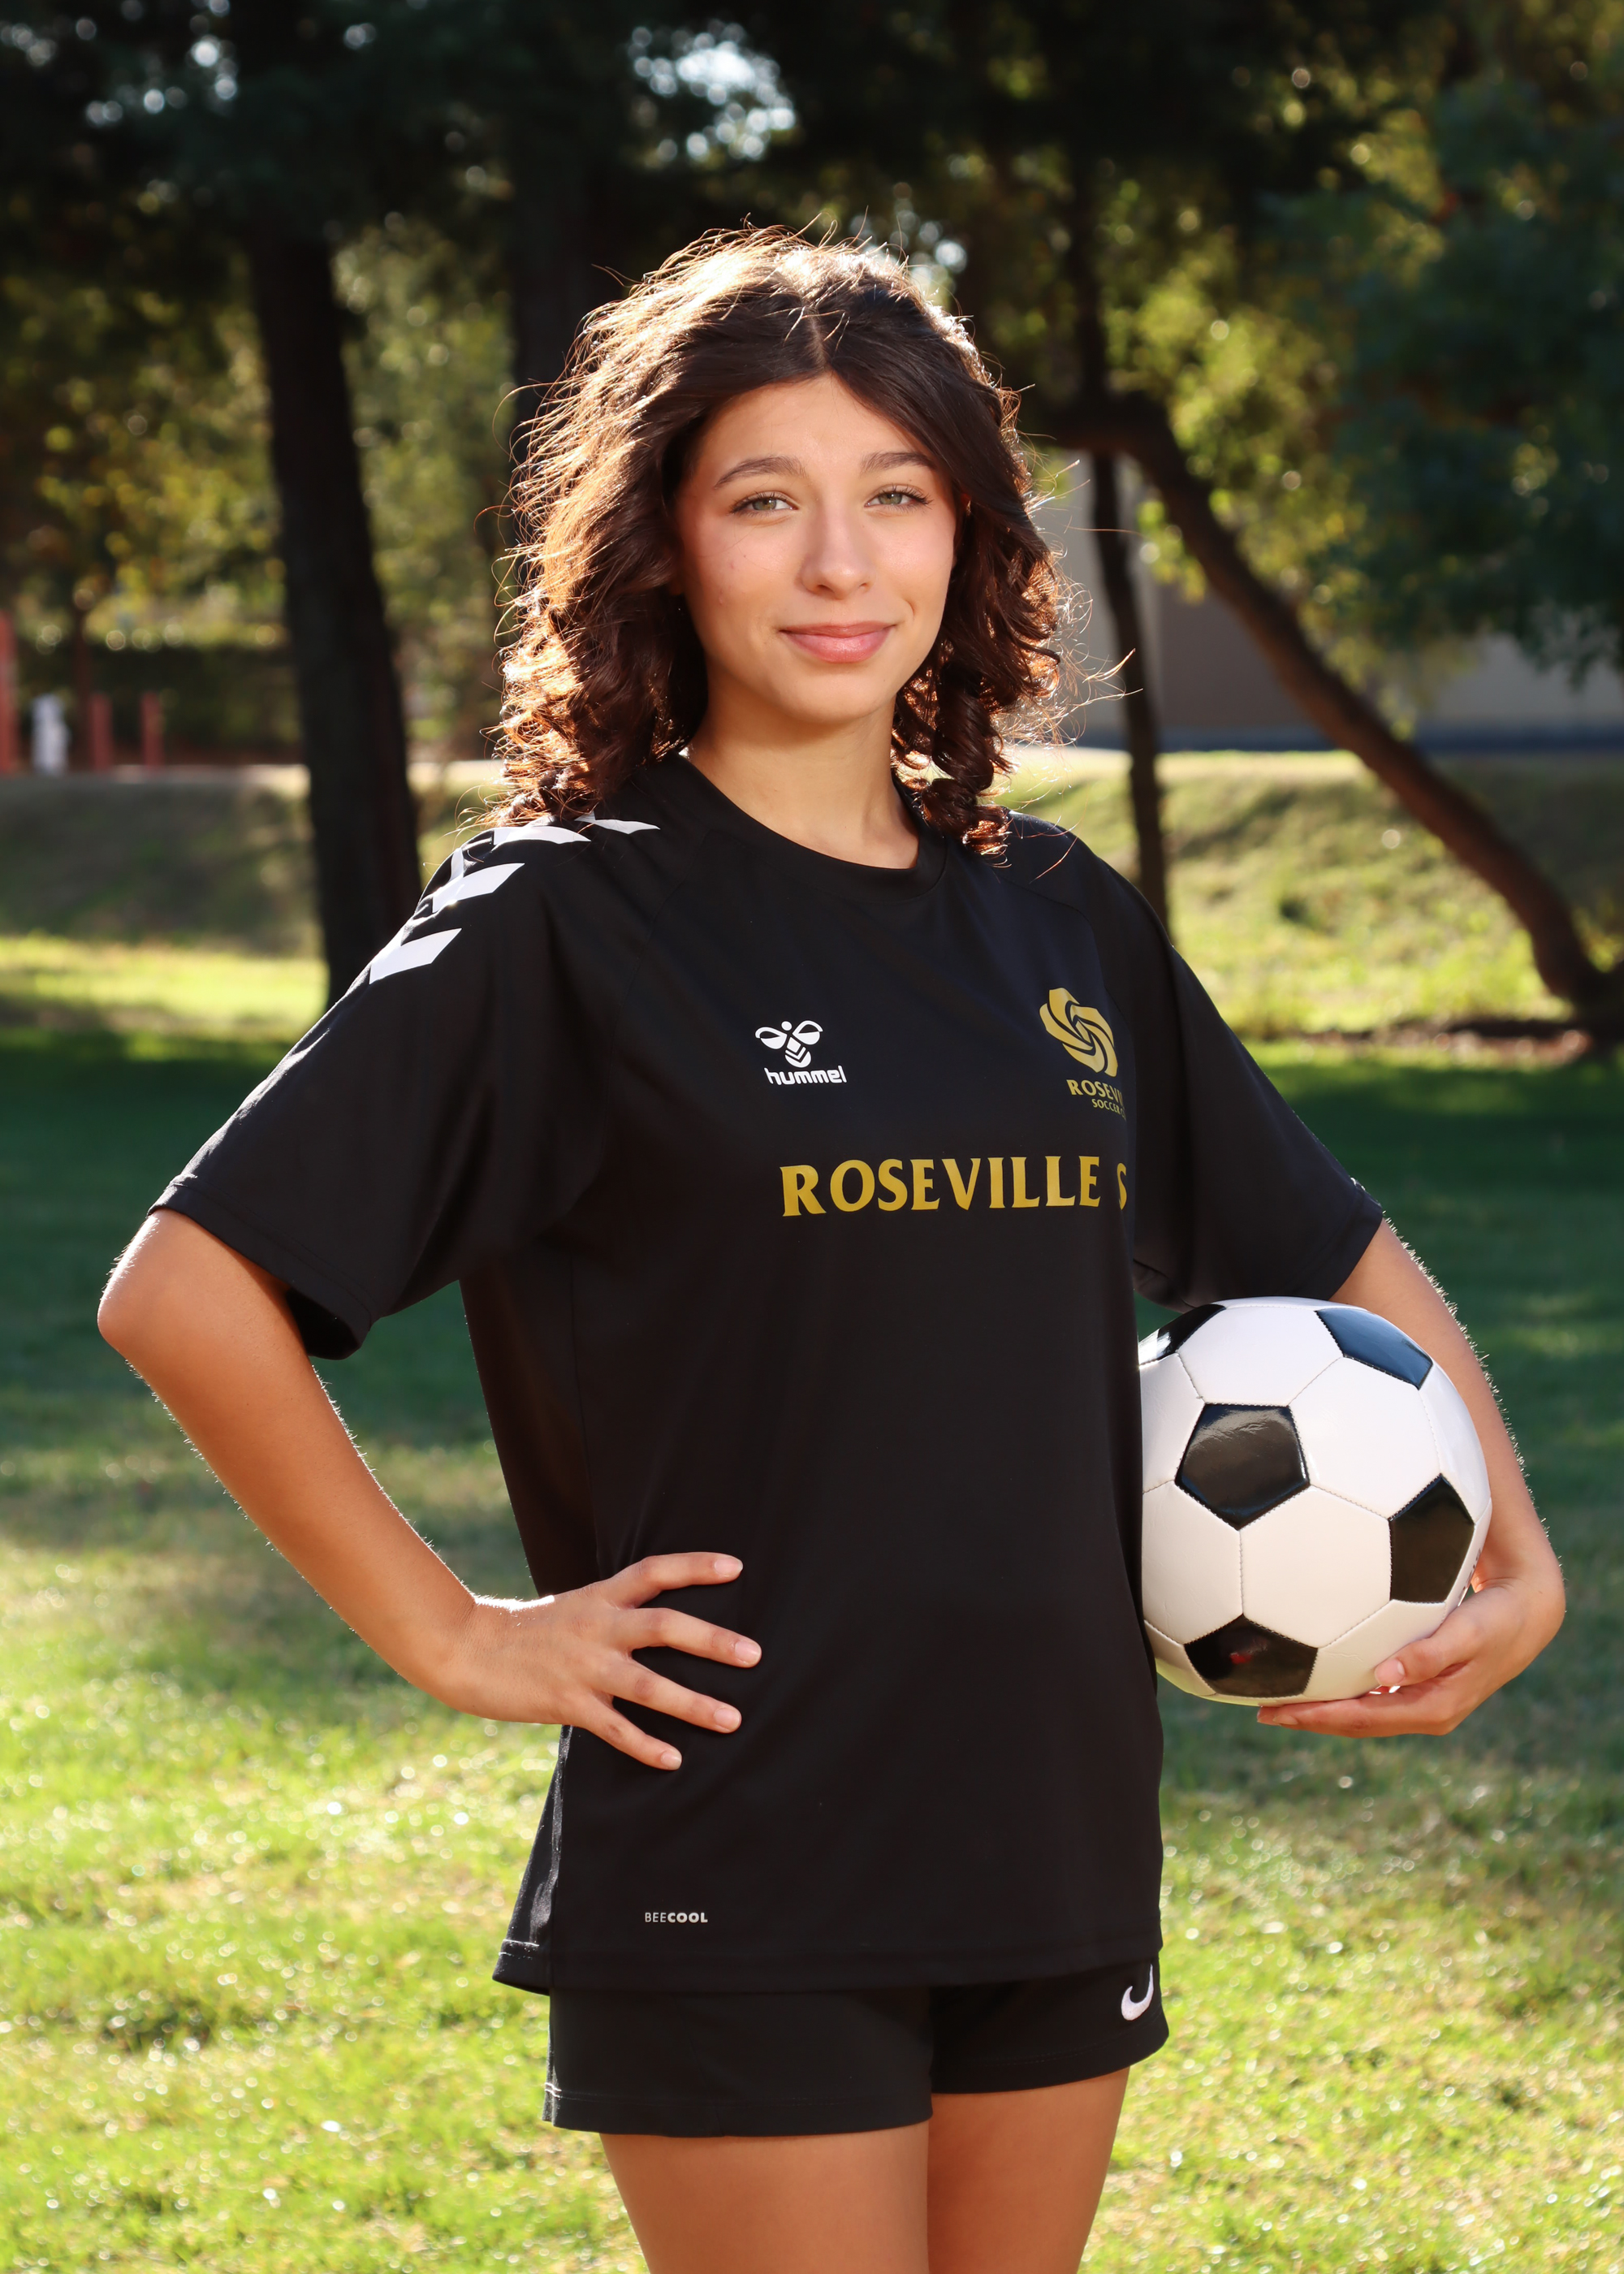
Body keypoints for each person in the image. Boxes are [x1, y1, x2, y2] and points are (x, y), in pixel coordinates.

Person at [97, 231, 1564, 2274]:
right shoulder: (566, 921)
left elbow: (1327, 1245)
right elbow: (186, 1286)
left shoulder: (1054, 915)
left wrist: (1511, 1551)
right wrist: (456, 1631)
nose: (839, 562)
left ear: (968, 535)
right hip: (744, 1846)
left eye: (897, 493)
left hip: (1051, 1834)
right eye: (764, 500)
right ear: (664, 543)